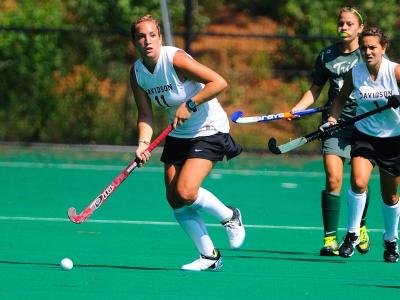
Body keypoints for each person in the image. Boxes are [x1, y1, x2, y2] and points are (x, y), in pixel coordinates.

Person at [130, 15, 245, 271]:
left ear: (159, 37)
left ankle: (229, 216)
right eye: (140, 36)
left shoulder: (174, 60)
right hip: (179, 133)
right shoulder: (137, 72)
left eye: (151, 35)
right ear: (134, 41)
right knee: (174, 199)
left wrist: (191, 103)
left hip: (208, 128)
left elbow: (219, 82)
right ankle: (209, 257)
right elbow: (145, 114)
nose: (147, 41)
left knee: (186, 191)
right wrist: (143, 143)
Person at [290, 6, 371, 256]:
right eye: (341, 23)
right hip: (334, 124)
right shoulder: (326, 55)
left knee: (360, 181)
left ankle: (360, 226)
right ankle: (329, 240)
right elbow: (315, 89)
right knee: (333, 178)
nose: (344, 27)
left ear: (359, 28)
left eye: (349, 24)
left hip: (364, 125)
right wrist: (298, 108)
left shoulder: (368, 54)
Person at [324, 26, 400, 262]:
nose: (367, 52)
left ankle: (391, 240)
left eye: (372, 47)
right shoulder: (355, 73)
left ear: (383, 48)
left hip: (394, 139)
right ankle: (352, 235)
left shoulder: (395, 72)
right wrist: (332, 119)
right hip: (365, 136)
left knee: (391, 197)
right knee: (358, 181)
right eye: (364, 47)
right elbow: (340, 98)